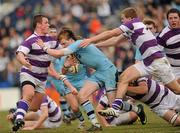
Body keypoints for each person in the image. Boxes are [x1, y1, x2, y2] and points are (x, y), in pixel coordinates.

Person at [37, 27, 147, 129]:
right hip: (99, 72)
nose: (64, 46)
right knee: (82, 95)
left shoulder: (79, 44)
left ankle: (137, 109)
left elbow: (59, 53)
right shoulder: (73, 53)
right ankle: (95, 124)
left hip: (108, 70)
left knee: (113, 104)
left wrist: (44, 47)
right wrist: (66, 65)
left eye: (64, 43)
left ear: (71, 40)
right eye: (62, 44)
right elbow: (63, 71)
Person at [79, 7, 180, 118]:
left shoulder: (133, 23)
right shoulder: (132, 29)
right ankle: (115, 109)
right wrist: (95, 45)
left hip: (158, 62)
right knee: (124, 77)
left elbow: (111, 33)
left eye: (123, 19)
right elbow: (115, 41)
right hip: (147, 62)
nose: (122, 21)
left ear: (130, 18)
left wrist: (90, 40)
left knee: (176, 89)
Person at [13, 15, 76, 132]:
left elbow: (61, 51)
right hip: (29, 73)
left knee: (34, 107)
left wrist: (73, 51)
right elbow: (20, 54)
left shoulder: (52, 40)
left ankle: (18, 110)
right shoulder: (30, 40)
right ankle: (19, 119)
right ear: (39, 25)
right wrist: (24, 62)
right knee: (29, 94)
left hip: (42, 79)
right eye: (46, 23)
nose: (48, 25)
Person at [157, 8, 180, 83]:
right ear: (167, 20)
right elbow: (156, 52)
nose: (173, 20)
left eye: (175, 18)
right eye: (170, 18)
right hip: (174, 70)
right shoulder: (163, 36)